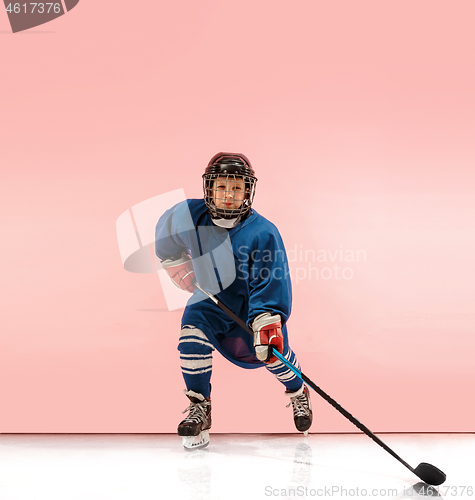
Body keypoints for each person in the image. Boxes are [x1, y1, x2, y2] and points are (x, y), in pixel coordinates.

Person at [155, 152, 312, 449]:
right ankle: (200, 408)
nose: (229, 195)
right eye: (223, 187)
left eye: (237, 188)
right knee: (191, 336)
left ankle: (298, 391)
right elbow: (166, 232)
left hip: (250, 307)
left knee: (272, 355)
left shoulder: (263, 232)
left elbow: (270, 280)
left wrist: (266, 320)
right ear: (210, 188)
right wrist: (173, 260)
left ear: (247, 191)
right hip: (208, 301)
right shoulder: (189, 216)